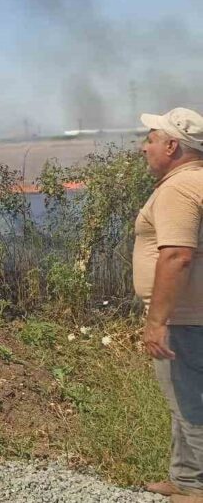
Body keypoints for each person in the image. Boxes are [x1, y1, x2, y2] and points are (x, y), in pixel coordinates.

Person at [135, 108, 203, 502]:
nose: (145, 147)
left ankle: (197, 488)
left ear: (172, 145)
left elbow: (176, 255)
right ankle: (185, 478)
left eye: (151, 139)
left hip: (185, 317)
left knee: (190, 400)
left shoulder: (178, 188)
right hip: (194, 313)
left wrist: (157, 320)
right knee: (183, 396)